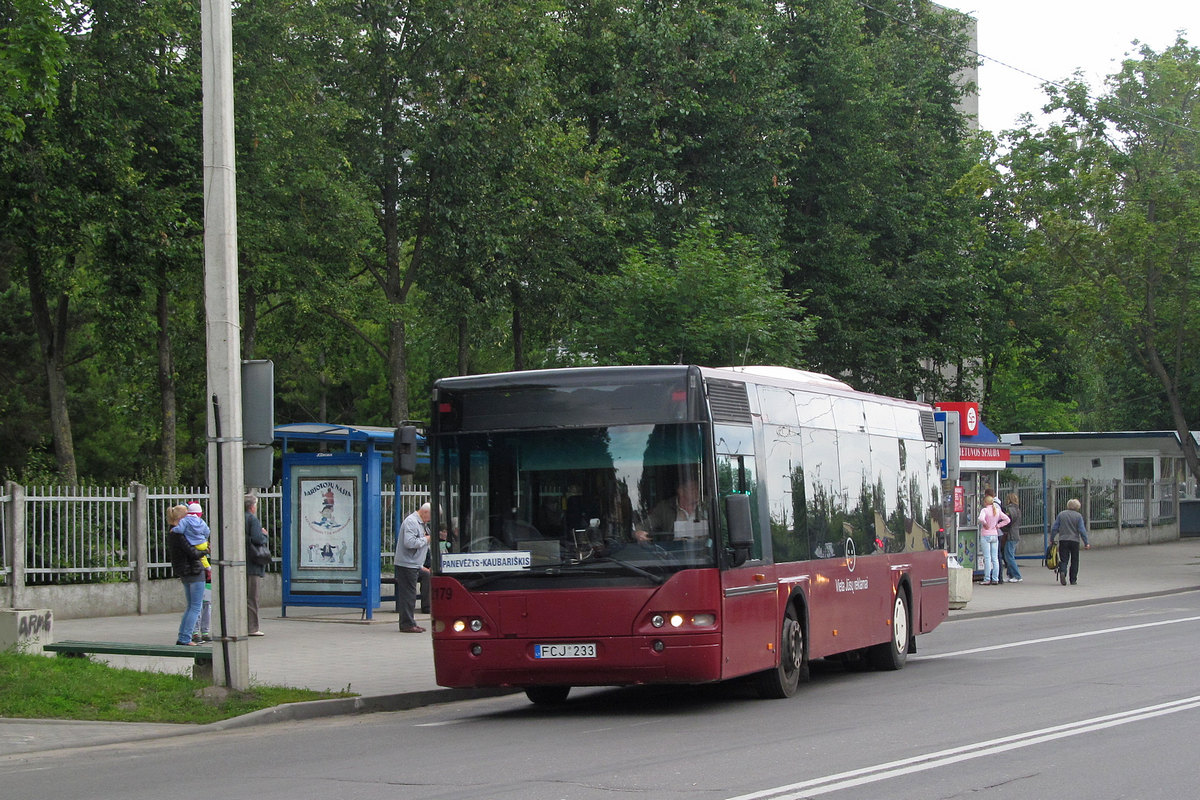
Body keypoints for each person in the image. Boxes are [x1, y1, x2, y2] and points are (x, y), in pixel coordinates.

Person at [167, 504, 206, 646]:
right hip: (193, 571)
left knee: (191, 606)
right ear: (183, 517)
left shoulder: (172, 532)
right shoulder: (180, 534)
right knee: (195, 607)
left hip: (184, 572)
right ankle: (185, 638)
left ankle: (183, 636)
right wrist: (206, 550)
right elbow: (193, 553)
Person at [635, 476, 705, 544]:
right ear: (681, 491)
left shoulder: (706, 505)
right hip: (673, 553)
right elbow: (644, 525)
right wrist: (638, 532)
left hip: (704, 552)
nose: (697, 492)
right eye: (693, 489)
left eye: (698, 488)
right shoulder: (664, 509)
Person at [395, 503, 431, 633]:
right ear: (425, 512)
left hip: (415, 564)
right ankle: (407, 624)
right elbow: (409, 543)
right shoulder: (411, 521)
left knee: (427, 576)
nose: (431, 519)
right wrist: (426, 539)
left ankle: (419, 613)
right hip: (407, 564)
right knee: (409, 594)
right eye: (431, 516)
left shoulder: (422, 523)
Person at [1051, 497, 1091, 585]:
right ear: (1077, 507)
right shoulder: (1078, 516)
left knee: (1064, 559)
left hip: (1063, 540)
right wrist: (1086, 542)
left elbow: (1055, 528)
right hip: (1074, 541)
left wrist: (1052, 539)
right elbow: (1082, 530)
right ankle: (1073, 579)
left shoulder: (1061, 514)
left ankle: (1063, 572)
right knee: (1075, 560)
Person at [245, 493, 269, 636]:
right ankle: (252, 627)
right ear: (252, 507)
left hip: (241, 561)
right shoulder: (252, 519)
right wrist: (264, 534)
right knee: (252, 597)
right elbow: (257, 539)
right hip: (252, 562)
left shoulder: (237, 517)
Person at [977, 492, 1010, 585]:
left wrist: (985, 524)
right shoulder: (997, 510)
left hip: (986, 534)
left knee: (987, 558)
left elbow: (980, 518)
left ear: (986, 502)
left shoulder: (984, 510)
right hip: (994, 535)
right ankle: (995, 578)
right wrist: (998, 526)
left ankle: (987, 578)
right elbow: (1007, 519)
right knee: (995, 558)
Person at [1000, 492, 1023, 583]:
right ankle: (1011, 574)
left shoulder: (1010, 510)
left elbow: (1008, 522)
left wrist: (1001, 527)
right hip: (1015, 533)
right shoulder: (1017, 509)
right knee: (1009, 555)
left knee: (1009, 556)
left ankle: (1017, 575)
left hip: (1011, 535)